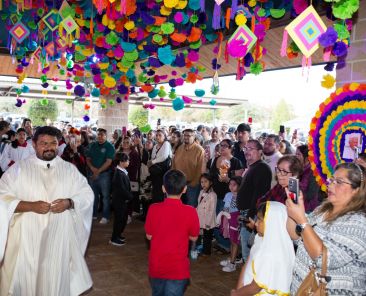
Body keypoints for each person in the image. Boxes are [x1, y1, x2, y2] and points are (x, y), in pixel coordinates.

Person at [0, 126, 94, 296]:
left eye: (53, 143)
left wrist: (69, 202)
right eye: (43, 143)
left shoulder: (69, 170)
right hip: (27, 239)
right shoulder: (17, 170)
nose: (49, 147)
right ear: (34, 144)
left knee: (56, 280)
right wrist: (30, 206)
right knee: (27, 280)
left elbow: (86, 195)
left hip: (59, 237)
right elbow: (2, 198)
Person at [286, 162, 366, 294]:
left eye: (339, 182)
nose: (331, 184)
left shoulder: (359, 223)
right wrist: (293, 210)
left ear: (357, 190)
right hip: (305, 288)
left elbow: (324, 258)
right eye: (332, 180)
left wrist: (301, 219)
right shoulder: (322, 210)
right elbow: (295, 235)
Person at [145, 169, 200, 296]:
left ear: (163, 188)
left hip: (157, 266)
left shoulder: (153, 209)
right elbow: (194, 237)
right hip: (178, 268)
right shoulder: (190, 211)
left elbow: (149, 236)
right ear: (185, 189)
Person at [231, 202, 295, 296]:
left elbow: (255, 287)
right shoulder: (260, 238)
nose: (256, 223)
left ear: (272, 222)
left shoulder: (272, 252)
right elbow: (247, 265)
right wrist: (239, 289)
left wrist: (236, 294)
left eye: (260, 220)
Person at [237, 140, 272, 262]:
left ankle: (250, 280)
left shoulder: (262, 168)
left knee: (250, 254)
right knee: (246, 252)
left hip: (251, 215)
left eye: (251, 149)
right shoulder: (252, 167)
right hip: (246, 213)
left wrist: (249, 216)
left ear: (260, 152)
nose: (247, 151)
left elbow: (259, 196)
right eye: (246, 148)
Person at [86, 128, 115, 223]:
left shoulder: (109, 146)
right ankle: (93, 214)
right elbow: (88, 158)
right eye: (98, 134)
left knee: (105, 196)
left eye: (102, 134)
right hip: (92, 173)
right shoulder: (92, 145)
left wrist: (97, 171)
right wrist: (92, 168)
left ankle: (105, 216)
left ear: (106, 136)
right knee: (93, 195)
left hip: (104, 175)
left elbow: (109, 162)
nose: (100, 136)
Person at [172, 129, 205, 207]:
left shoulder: (199, 150)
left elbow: (200, 169)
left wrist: (193, 183)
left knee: (190, 206)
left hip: (192, 185)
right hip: (179, 183)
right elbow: (174, 164)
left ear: (194, 137)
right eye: (184, 135)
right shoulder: (180, 148)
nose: (186, 137)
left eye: (188, 135)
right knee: (178, 206)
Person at [219, 176, 242, 273]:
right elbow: (226, 207)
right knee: (231, 240)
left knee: (235, 242)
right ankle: (231, 258)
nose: (231, 187)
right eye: (230, 184)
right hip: (228, 219)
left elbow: (239, 211)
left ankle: (232, 263)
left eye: (234, 185)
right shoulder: (228, 195)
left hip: (235, 221)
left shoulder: (241, 197)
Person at [110, 152, 133, 246]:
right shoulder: (118, 174)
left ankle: (118, 235)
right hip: (119, 201)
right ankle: (114, 238)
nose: (129, 162)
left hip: (122, 200)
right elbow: (122, 189)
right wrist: (130, 196)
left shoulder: (122, 171)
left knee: (122, 219)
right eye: (127, 160)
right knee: (119, 220)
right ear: (121, 162)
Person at [195, 173, 217, 256]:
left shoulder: (213, 195)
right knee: (202, 235)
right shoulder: (201, 192)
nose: (203, 184)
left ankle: (206, 252)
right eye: (201, 182)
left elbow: (212, 211)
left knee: (207, 237)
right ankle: (202, 248)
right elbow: (199, 204)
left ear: (210, 182)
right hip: (201, 218)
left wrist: (208, 223)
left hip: (208, 221)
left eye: (205, 181)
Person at [148, 130, 172, 203]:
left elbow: (164, 156)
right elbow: (152, 156)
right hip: (156, 173)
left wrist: (153, 162)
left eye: (160, 135)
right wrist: (152, 162)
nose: (158, 137)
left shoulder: (166, 144)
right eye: (157, 135)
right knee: (155, 190)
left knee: (161, 191)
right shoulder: (155, 145)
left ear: (164, 136)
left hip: (163, 172)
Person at [295, 145, 320, 212]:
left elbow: (311, 194)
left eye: (298, 154)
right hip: (296, 202)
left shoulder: (313, 171)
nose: (296, 156)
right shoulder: (297, 167)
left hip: (307, 207)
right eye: (295, 154)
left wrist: (296, 196)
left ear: (306, 157)